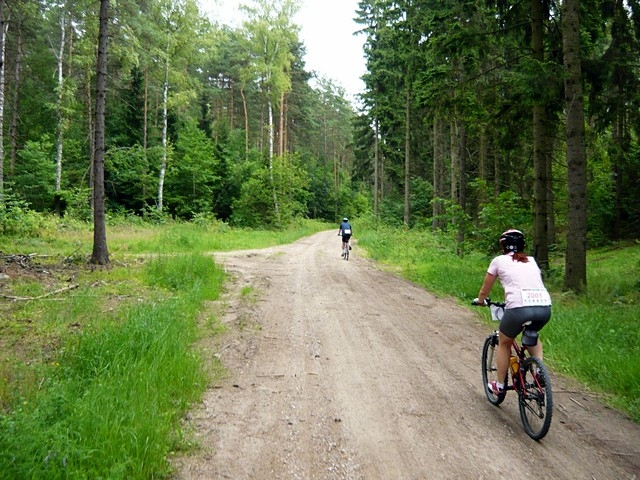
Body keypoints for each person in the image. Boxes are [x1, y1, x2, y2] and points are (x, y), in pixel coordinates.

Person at [474, 229, 552, 395]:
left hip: (518, 309)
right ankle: (539, 371)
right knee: (533, 334)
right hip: (544, 307)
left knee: (504, 342)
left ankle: (500, 385)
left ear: (502, 245)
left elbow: (484, 289)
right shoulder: (531, 260)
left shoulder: (498, 261)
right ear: (522, 245)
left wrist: (480, 301)